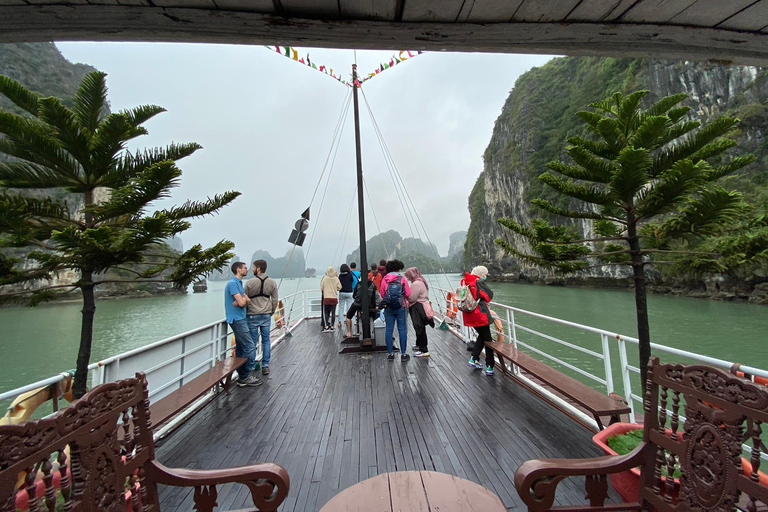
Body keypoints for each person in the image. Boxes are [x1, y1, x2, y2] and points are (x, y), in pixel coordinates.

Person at [224, 261, 261, 387]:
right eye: (245, 268)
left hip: (241, 318)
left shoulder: (239, 283)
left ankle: (242, 375)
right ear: (238, 269)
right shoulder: (232, 284)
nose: (247, 269)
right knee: (250, 346)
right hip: (237, 320)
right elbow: (242, 302)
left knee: (241, 348)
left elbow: (247, 301)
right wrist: (243, 300)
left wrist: (243, 300)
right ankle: (245, 376)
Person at [244, 259, 278, 376]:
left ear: (258, 268)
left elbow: (244, 299)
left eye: (253, 267)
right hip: (266, 314)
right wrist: (271, 311)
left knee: (252, 341)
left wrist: (247, 312)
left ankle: (252, 365)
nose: (252, 269)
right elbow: (274, 300)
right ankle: (265, 365)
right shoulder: (272, 283)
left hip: (252, 315)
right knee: (266, 340)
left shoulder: (249, 283)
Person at [463, 265, 496, 376]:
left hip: (469, 315)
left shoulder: (465, 281)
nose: (485, 277)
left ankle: (474, 358)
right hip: (479, 315)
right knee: (488, 340)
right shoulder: (478, 282)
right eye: (485, 275)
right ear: (481, 275)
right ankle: (490, 366)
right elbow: (489, 296)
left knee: (482, 336)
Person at [379, 259, 411, 361]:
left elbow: (382, 294)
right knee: (402, 330)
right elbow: (408, 294)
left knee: (389, 330)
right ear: (398, 268)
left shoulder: (385, 279)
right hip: (401, 307)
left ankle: (390, 354)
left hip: (388, 308)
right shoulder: (402, 279)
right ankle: (404, 354)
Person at [405, 267, 433, 357]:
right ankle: (419, 344)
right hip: (422, 305)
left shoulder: (415, 284)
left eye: (408, 276)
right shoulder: (421, 281)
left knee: (419, 327)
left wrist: (406, 298)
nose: (408, 278)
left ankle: (424, 349)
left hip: (417, 306)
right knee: (420, 327)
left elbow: (412, 298)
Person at [320, 266, 342, 332]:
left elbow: (321, 287)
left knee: (326, 313)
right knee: (333, 312)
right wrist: (335, 289)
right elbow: (340, 287)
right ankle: (332, 326)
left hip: (326, 298)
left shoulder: (325, 278)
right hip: (334, 298)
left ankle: (326, 326)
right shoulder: (336, 279)